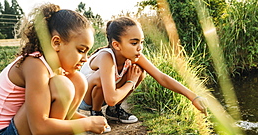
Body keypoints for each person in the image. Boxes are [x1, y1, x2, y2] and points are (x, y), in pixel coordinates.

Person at [0, 4, 109, 135]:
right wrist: (86, 124)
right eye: (80, 50)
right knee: (63, 85)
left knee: (77, 80)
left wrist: (89, 119)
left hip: (21, 133)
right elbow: (39, 128)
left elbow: (62, 114)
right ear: (56, 42)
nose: (85, 59)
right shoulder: (35, 65)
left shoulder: (51, 66)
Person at [78, 16, 207, 127]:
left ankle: (114, 111)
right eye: (134, 43)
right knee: (102, 76)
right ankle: (96, 113)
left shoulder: (135, 55)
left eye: (142, 42)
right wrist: (130, 82)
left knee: (139, 71)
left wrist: (193, 96)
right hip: (85, 99)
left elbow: (160, 77)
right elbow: (111, 98)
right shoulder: (106, 56)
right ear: (117, 45)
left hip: (107, 96)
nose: (140, 48)